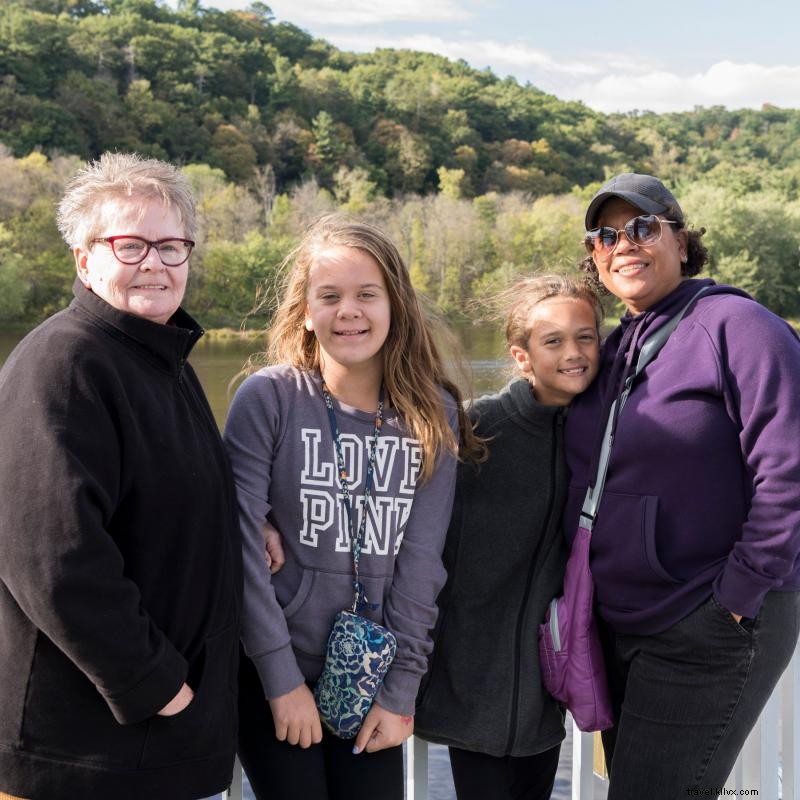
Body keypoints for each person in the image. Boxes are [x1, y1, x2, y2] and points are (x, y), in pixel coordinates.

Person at [0, 152, 242, 800]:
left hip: (158, 751)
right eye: (131, 245)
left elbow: (171, 506)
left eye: (171, 246)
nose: (156, 263)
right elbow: (51, 559)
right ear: (84, 259)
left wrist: (250, 532)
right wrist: (160, 686)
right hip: (84, 758)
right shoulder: (65, 364)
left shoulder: (163, 362)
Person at [223, 215, 483, 800]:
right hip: (271, 671)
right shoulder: (269, 399)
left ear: (396, 305)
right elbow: (239, 544)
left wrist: (400, 691)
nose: (350, 311)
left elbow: (421, 563)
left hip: (369, 674)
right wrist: (281, 680)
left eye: (368, 295)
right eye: (330, 296)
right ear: (305, 310)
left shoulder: (429, 413)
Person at [564, 172, 800, 798]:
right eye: (605, 236)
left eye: (642, 228)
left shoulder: (738, 328)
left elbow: (790, 470)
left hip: (707, 621)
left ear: (680, 238)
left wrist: (737, 598)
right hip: (623, 624)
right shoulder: (614, 348)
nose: (624, 244)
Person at [415, 274, 603, 800]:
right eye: (553, 341)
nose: (574, 352)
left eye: (585, 336)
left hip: (546, 687)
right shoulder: (477, 431)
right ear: (521, 356)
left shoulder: (604, 434)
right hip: (471, 683)